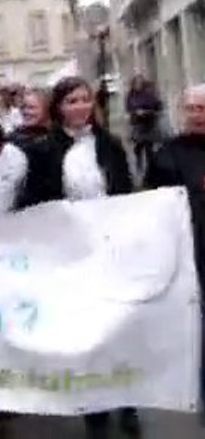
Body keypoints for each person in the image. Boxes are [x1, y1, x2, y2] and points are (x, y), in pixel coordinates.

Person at [18, 76, 138, 438]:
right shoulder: (44, 149)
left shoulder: (109, 144)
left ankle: (128, 399)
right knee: (86, 331)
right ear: (59, 108)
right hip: (70, 252)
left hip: (110, 248)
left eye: (85, 99)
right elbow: (33, 200)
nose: (80, 107)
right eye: (72, 101)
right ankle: (95, 409)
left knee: (119, 326)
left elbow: (126, 191)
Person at [145, 84, 205, 419]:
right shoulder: (168, 153)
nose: (196, 116)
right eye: (191, 109)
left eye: (202, 109)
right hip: (191, 255)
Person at [126, 75, 163, 175]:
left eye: (139, 83)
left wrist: (146, 112)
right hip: (138, 125)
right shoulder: (131, 95)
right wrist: (134, 112)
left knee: (149, 149)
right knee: (138, 148)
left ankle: (150, 171)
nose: (137, 85)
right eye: (136, 83)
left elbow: (158, 107)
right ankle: (139, 167)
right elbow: (129, 107)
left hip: (149, 124)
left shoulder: (149, 94)